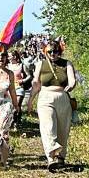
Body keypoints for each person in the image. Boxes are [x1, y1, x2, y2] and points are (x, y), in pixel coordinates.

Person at [26, 39, 77, 171]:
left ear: (60, 51)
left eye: (55, 51)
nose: (53, 54)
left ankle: (61, 157)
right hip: (45, 97)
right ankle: (51, 156)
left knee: (63, 129)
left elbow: (72, 80)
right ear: (45, 52)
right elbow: (36, 83)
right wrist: (31, 100)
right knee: (48, 125)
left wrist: (70, 87)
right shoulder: (41, 64)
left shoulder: (66, 64)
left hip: (62, 97)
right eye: (50, 51)